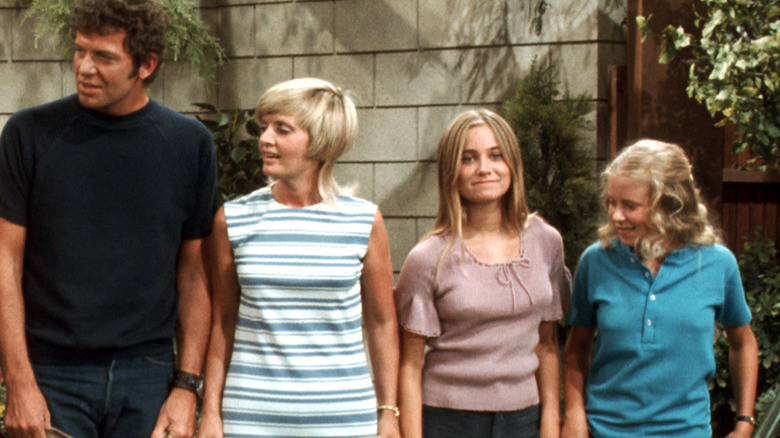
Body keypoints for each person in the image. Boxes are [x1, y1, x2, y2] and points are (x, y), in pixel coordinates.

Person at [0, 0, 218, 437]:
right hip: (52, 372)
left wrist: (187, 387)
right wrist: (20, 382)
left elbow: (194, 277)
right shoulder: (30, 133)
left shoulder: (189, 144)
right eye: (80, 51)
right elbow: (5, 261)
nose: (84, 67)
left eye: (104, 57)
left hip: (149, 374)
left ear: (146, 64)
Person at [199, 77, 401, 438]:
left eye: (282, 129)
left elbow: (382, 323)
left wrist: (388, 412)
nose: (264, 139)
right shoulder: (233, 219)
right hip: (251, 417)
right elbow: (223, 321)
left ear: (321, 140)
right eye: (264, 127)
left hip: (343, 418)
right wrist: (211, 411)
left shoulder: (364, 220)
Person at [561, 139, 759, 438]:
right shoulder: (596, 262)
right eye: (611, 202)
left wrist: (744, 421)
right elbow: (576, 349)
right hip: (604, 431)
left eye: (630, 205)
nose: (616, 215)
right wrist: (574, 414)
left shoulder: (717, 264)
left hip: (686, 431)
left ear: (670, 205)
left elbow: (743, 343)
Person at [394, 109, 571, 438]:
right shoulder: (428, 256)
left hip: (525, 420)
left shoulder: (546, 241)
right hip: (448, 420)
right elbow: (410, 364)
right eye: (469, 159)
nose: (484, 169)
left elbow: (547, 347)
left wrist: (550, 423)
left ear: (513, 164)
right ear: (451, 171)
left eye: (496, 155)